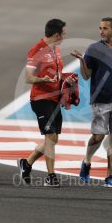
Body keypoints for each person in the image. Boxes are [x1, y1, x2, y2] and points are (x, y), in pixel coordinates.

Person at [71, 17, 112, 188]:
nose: (101, 31)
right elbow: (86, 76)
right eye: (100, 28)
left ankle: (110, 176)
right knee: (98, 137)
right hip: (100, 101)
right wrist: (81, 61)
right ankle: (86, 161)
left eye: (105, 28)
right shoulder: (93, 49)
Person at [17, 19, 74, 187]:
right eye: (63, 33)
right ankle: (51, 176)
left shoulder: (55, 49)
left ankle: (26, 164)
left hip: (54, 99)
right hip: (41, 99)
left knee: (53, 139)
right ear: (56, 34)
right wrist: (43, 78)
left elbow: (56, 75)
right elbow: (28, 77)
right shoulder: (37, 50)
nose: (65, 35)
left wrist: (65, 80)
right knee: (50, 137)